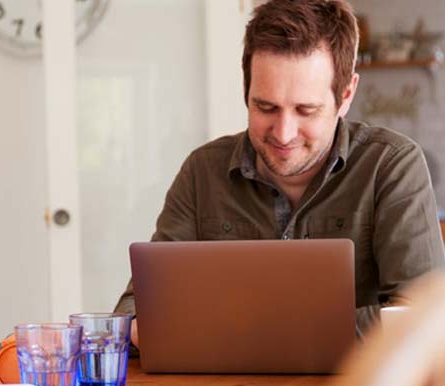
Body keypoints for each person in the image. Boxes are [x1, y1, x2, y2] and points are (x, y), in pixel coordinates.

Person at [115, 0, 445, 345]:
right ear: (246, 92)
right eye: (265, 107)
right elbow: (134, 313)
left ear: (346, 95)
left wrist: (254, 332)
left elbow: (425, 316)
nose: (284, 133)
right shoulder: (203, 172)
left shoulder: (392, 166)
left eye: (306, 110)